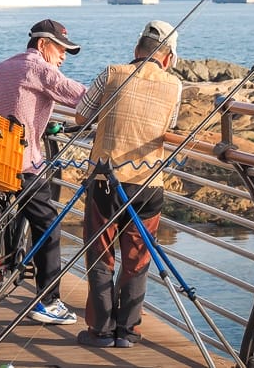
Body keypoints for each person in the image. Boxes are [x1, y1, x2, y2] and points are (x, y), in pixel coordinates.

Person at [0, 18, 86, 325]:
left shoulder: (4, 66)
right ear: (43, 44)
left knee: (0, 214)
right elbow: (80, 96)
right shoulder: (39, 68)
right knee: (48, 225)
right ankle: (48, 301)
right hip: (22, 162)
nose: (62, 57)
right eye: (60, 49)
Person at [73, 20, 182, 348]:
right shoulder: (175, 86)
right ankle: (129, 332)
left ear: (137, 49)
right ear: (168, 58)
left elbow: (81, 115)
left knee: (100, 256)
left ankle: (101, 331)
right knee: (138, 259)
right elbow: (170, 125)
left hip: (106, 183)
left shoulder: (111, 73)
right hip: (149, 186)